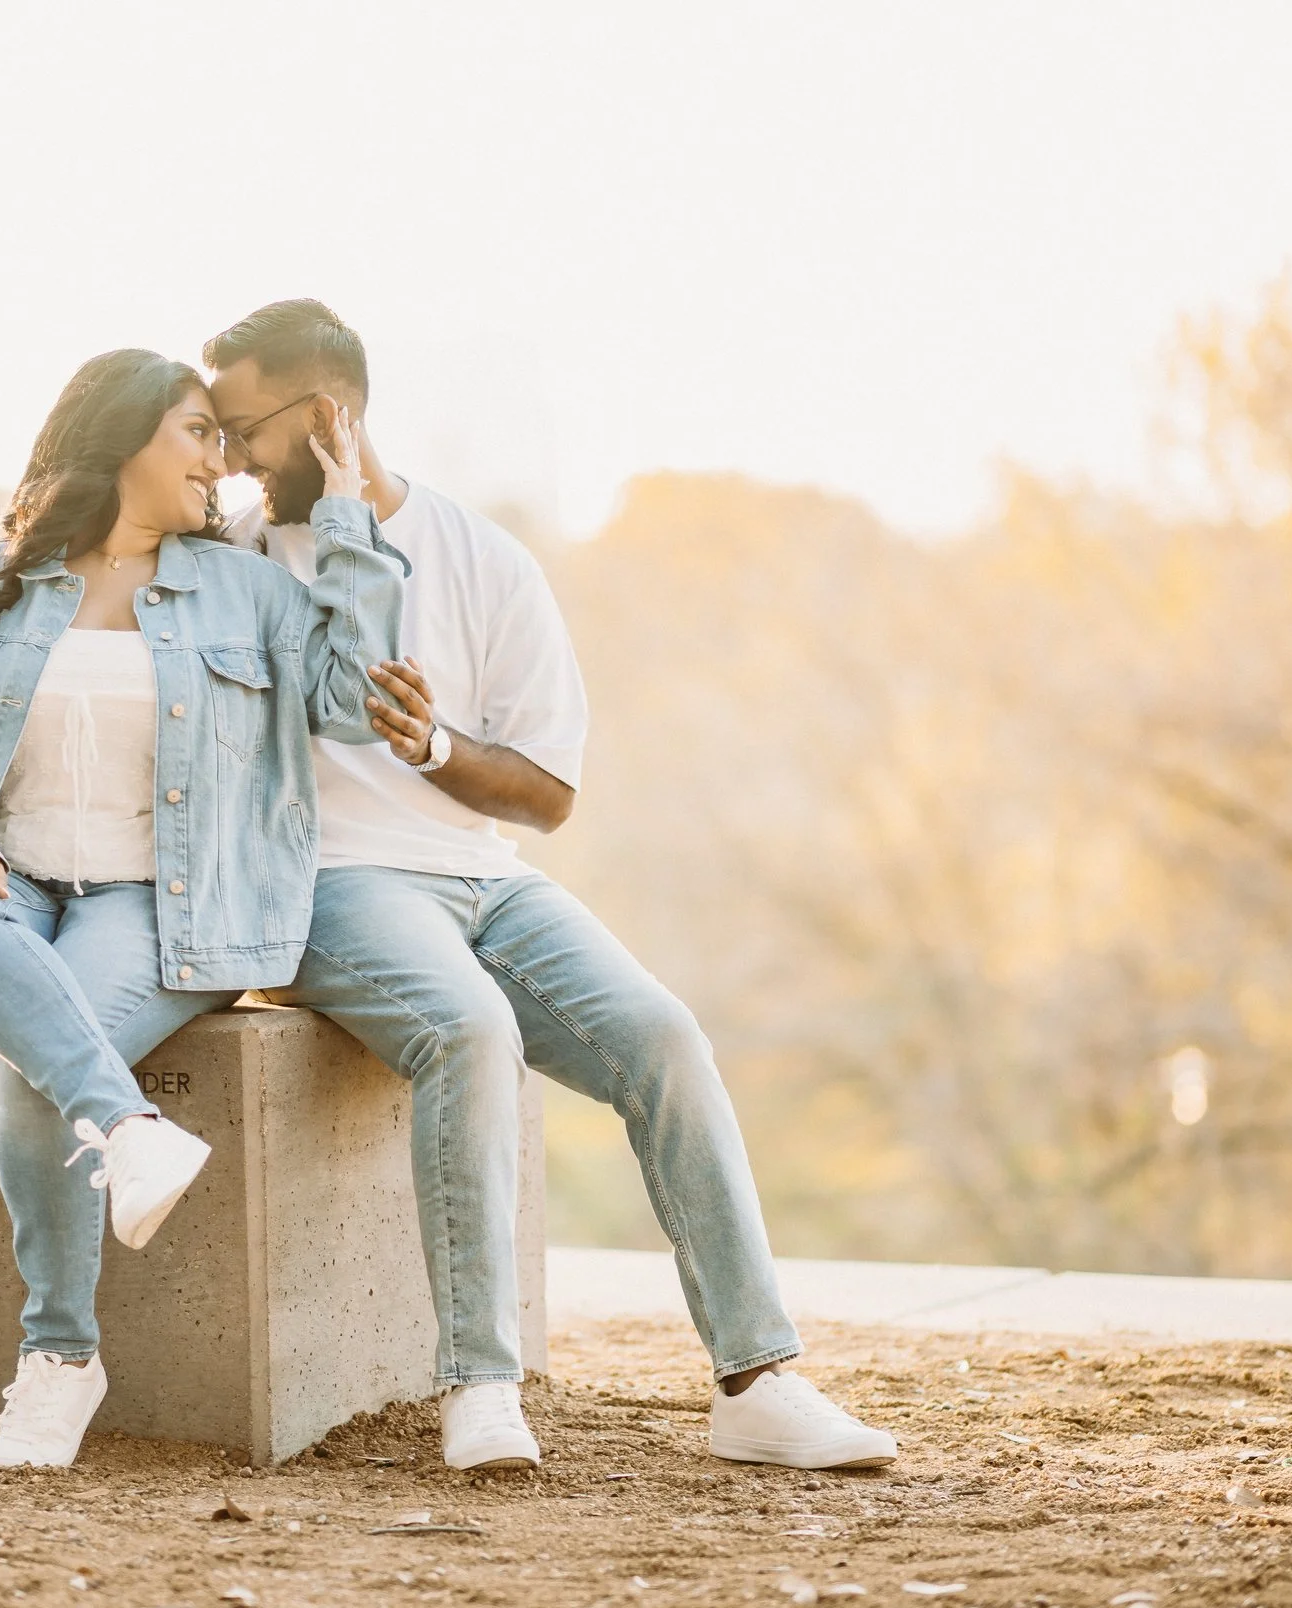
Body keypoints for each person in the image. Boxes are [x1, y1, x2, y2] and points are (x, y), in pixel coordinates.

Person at [197, 302, 896, 1473]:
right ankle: (479, 1386)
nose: (227, 458)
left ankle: (757, 1379)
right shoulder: (230, 557)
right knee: (466, 1029)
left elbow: (547, 791)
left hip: (485, 880)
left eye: (242, 428)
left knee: (662, 1037)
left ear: (329, 417)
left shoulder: (482, 558)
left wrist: (433, 749)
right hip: (331, 885)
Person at [0, 347, 407, 1470]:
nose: (223, 460)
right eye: (198, 432)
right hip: (0, 883)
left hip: (161, 904)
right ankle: (134, 1131)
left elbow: (350, 700)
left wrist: (346, 515)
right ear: (123, 440)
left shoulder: (246, 589)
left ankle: (57, 1361)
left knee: (35, 1063)